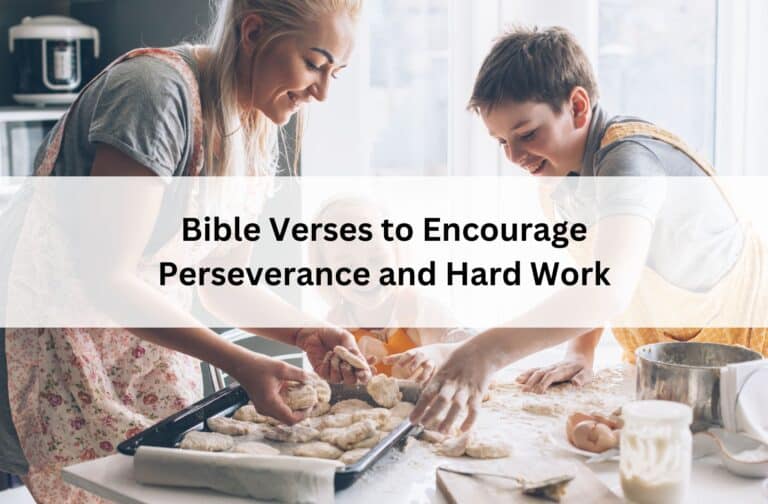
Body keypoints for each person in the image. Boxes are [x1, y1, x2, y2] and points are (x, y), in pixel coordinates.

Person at [0, 1, 368, 502]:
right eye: (314, 63)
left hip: (130, 351)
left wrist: (303, 332)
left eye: (337, 74)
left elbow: (218, 280)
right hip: (42, 354)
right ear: (253, 31)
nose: (322, 92)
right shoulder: (154, 94)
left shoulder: (252, 119)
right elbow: (109, 279)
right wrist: (241, 363)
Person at [409, 26, 768, 434]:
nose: (514, 156)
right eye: (501, 142)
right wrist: (582, 350)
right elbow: (597, 265)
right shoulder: (560, 176)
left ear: (578, 106)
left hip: (754, 355)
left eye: (526, 134)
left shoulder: (630, 159)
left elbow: (608, 288)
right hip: (674, 365)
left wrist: (483, 354)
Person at [308, 196, 473, 380]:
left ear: (396, 252)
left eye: (376, 257)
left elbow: (474, 350)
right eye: (346, 265)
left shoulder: (420, 310)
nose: (365, 274)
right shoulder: (334, 326)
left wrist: (437, 354)